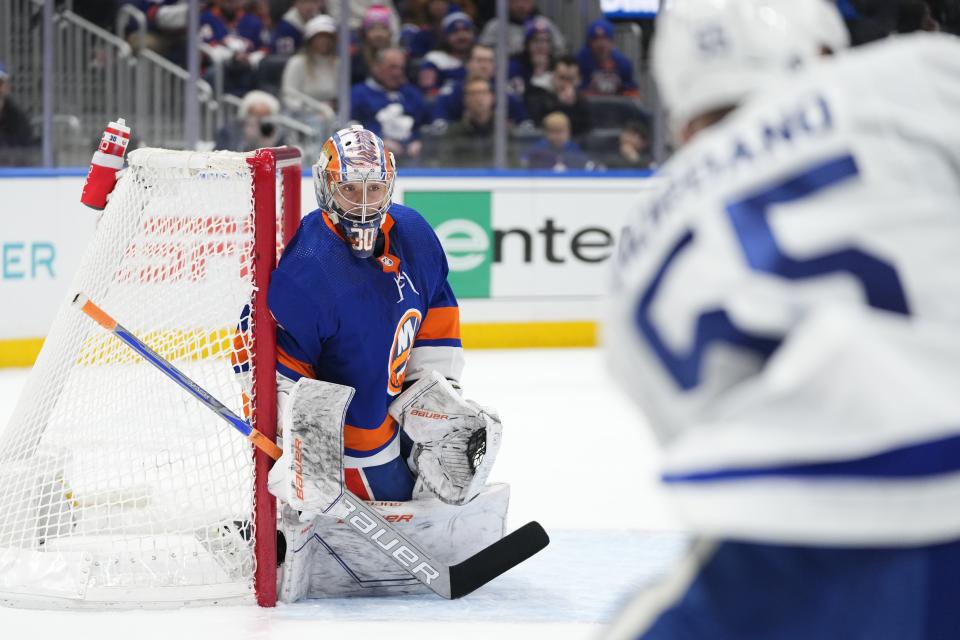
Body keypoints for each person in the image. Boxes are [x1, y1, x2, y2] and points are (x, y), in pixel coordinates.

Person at [604, 0, 960, 638]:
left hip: (782, 541)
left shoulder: (640, 242)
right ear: (823, 51)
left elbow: (697, 431)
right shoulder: (909, 78)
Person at [263, 125, 507, 599]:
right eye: (349, 188)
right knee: (385, 498)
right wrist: (302, 450)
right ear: (327, 186)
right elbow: (286, 374)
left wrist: (433, 390)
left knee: (463, 437)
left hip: (396, 398)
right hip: (352, 429)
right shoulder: (308, 269)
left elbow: (437, 303)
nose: (362, 202)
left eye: (374, 188)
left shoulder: (413, 232)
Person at [351, 47, 429, 159]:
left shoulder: (412, 94)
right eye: (392, 67)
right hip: (371, 163)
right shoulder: (358, 93)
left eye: (401, 68)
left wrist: (420, 142)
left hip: (413, 163)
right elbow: (349, 129)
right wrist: (375, 142)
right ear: (376, 68)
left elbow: (426, 126)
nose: (397, 73)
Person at [431, 44, 529, 126]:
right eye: (479, 60)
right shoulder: (452, 92)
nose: (484, 65)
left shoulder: (504, 92)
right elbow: (440, 126)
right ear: (468, 63)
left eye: (489, 61)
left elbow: (524, 126)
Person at [280, 14, 339, 112]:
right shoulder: (297, 63)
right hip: (302, 117)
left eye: (328, 37)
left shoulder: (339, 64)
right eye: (320, 37)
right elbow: (289, 96)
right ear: (310, 39)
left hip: (334, 116)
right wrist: (315, 109)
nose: (324, 41)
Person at [523, 54, 591, 137]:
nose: (566, 83)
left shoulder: (581, 100)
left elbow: (587, 127)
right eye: (562, 78)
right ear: (553, 76)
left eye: (571, 79)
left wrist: (572, 104)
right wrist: (560, 103)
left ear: (578, 80)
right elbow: (539, 122)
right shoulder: (537, 90)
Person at [416, 11, 475, 97]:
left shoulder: (479, 58)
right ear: (445, 36)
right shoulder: (434, 59)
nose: (461, 36)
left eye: (466, 31)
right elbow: (428, 93)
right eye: (455, 32)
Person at [575, 18, 639, 97]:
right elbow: (577, 92)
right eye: (596, 39)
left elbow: (632, 93)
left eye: (604, 39)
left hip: (616, 107)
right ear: (589, 43)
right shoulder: (581, 61)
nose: (600, 44)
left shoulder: (623, 64)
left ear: (612, 42)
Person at [477, 0, 564, 56]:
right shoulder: (495, 26)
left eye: (525, 1)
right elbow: (482, 53)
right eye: (516, 1)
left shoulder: (544, 24)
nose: (521, 5)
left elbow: (560, 50)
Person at [214, 89, 285, 151]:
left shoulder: (277, 134)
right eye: (255, 114)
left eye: (264, 115)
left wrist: (269, 146)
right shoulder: (229, 129)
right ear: (246, 113)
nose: (259, 120)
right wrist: (246, 141)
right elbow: (219, 155)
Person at [521, 111, 591, 171]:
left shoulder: (573, 147)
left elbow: (584, 165)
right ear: (546, 132)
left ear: (568, 131)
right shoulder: (538, 148)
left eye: (560, 132)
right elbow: (525, 162)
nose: (557, 136)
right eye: (552, 132)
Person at [350, 5, 397, 85]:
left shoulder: (398, 59)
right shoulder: (355, 61)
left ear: (390, 33)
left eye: (383, 28)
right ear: (364, 34)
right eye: (373, 29)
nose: (378, 34)